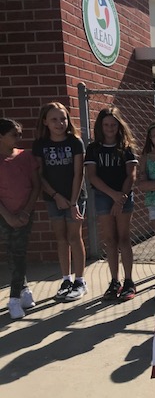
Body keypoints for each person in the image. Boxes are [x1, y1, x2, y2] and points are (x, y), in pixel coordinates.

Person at [32, 102, 88, 302]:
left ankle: (80, 281)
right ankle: (66, 279)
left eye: (63, 118)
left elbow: (78, 173)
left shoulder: (75, 142)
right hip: (53, 199)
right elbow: (39, 175)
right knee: (61, 239)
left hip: (74, 198)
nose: (59, 123)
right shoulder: (40, 145)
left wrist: (72, 203)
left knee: (74, 237)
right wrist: (55, 196)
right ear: (45, 122)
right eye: (54, 119)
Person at [84, 106, 138, 301]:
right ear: (100, 126)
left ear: (119, 125)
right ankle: (114, 281)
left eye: (113, 124)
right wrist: (113, 196)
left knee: (123, 238)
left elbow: (131, 175)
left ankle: (129, 281)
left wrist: (121, 197)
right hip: (104, 197)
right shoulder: (93, 149)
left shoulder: (126, 147)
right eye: (106, 124)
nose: (110, 128)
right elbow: (92, 176)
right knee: (110, 240)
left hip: (124, 195)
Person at [0, 119, 40, 319]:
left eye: (20, 134)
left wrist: (25, 212)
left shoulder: (26, 156)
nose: (19, 138)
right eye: (14, 134)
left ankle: (14, 298)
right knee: (13, 252)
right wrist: (7, 216)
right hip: (4, 215)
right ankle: (22, 291)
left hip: (25, 213)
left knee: (19, 252)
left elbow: (35, 186)